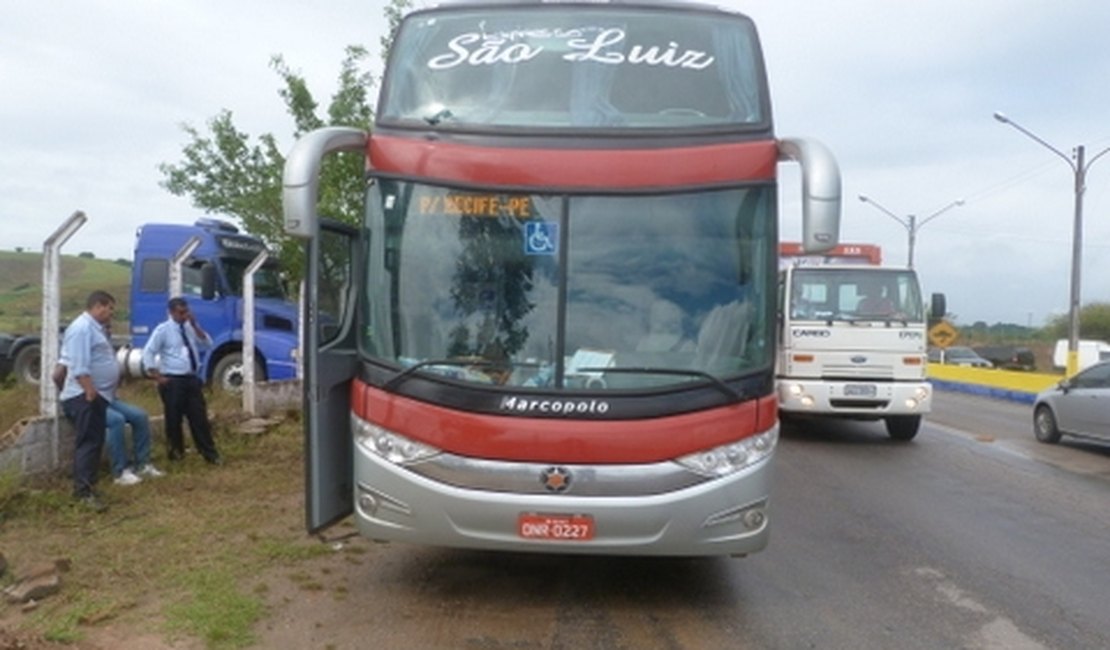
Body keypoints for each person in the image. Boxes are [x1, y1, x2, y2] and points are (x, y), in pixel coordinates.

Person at [53, 360, 165, 487]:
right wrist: (73, 397)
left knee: (140, 416)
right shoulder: (79, 346)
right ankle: (120, 471)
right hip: (88, 399)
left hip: (108, 398)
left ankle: (143, 464)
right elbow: (58, 375)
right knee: (116, 421)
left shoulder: (101, 346)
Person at [141, 297, 222, 465]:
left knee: (199, 417)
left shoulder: (189, 327)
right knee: (173, 419)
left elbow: (207, 343)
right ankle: (176, 455)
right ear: (171, 312)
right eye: (181, 312)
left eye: (186, 311)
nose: (184, 315)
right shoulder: (163, 330)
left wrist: (194, 325)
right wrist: (157, 376)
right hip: (172, 379)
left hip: (190, 377)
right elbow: (148, 352)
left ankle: (209, 453)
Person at [58, 290, 118, 511]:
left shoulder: (94, 329)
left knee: (95, 442)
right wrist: (89, 391)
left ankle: (89, 486)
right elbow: (79, 364)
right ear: (99, 306)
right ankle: (82, 492)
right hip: (85, 395)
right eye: (110, 308)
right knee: (88, 443)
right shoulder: (82, 329)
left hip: (96, 395)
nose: (111, 313)